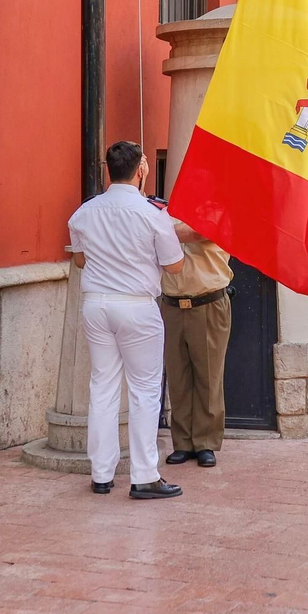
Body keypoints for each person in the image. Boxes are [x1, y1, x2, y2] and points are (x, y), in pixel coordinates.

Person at [67, 141, 186, 500]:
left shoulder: (83, 213)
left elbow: (80, 261)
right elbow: (175, 265)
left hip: (97, 303)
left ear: (108, 169)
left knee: (102, 387)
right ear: (141, 170)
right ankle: (144, 474)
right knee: (145, 390)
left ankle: (101, 473)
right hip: (137, 305)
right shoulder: (152, 214)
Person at [158, 211, 234, 469]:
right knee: (178, 376)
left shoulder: (218, 210)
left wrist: (161, 229)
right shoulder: (163, 213)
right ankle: (182, 442)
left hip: (208, 302)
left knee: (208, 376)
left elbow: (198, 233)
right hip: (172, 303)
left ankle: (205, 443)